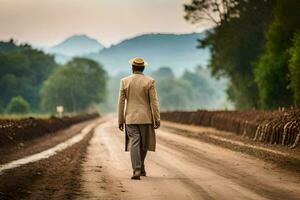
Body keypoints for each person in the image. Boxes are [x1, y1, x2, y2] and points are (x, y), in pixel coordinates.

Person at [118, 57, 160, 180]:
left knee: (135, 142)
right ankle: (140, 167)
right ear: (143, 68)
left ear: (132, 68)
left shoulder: (124, 81)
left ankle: (137, 169)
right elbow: (154, 102)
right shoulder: (150, 81)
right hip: (146, 118)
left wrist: (120, 120)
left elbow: (121, 103)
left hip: (130, 118)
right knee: (144, 144)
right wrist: (157, 118)